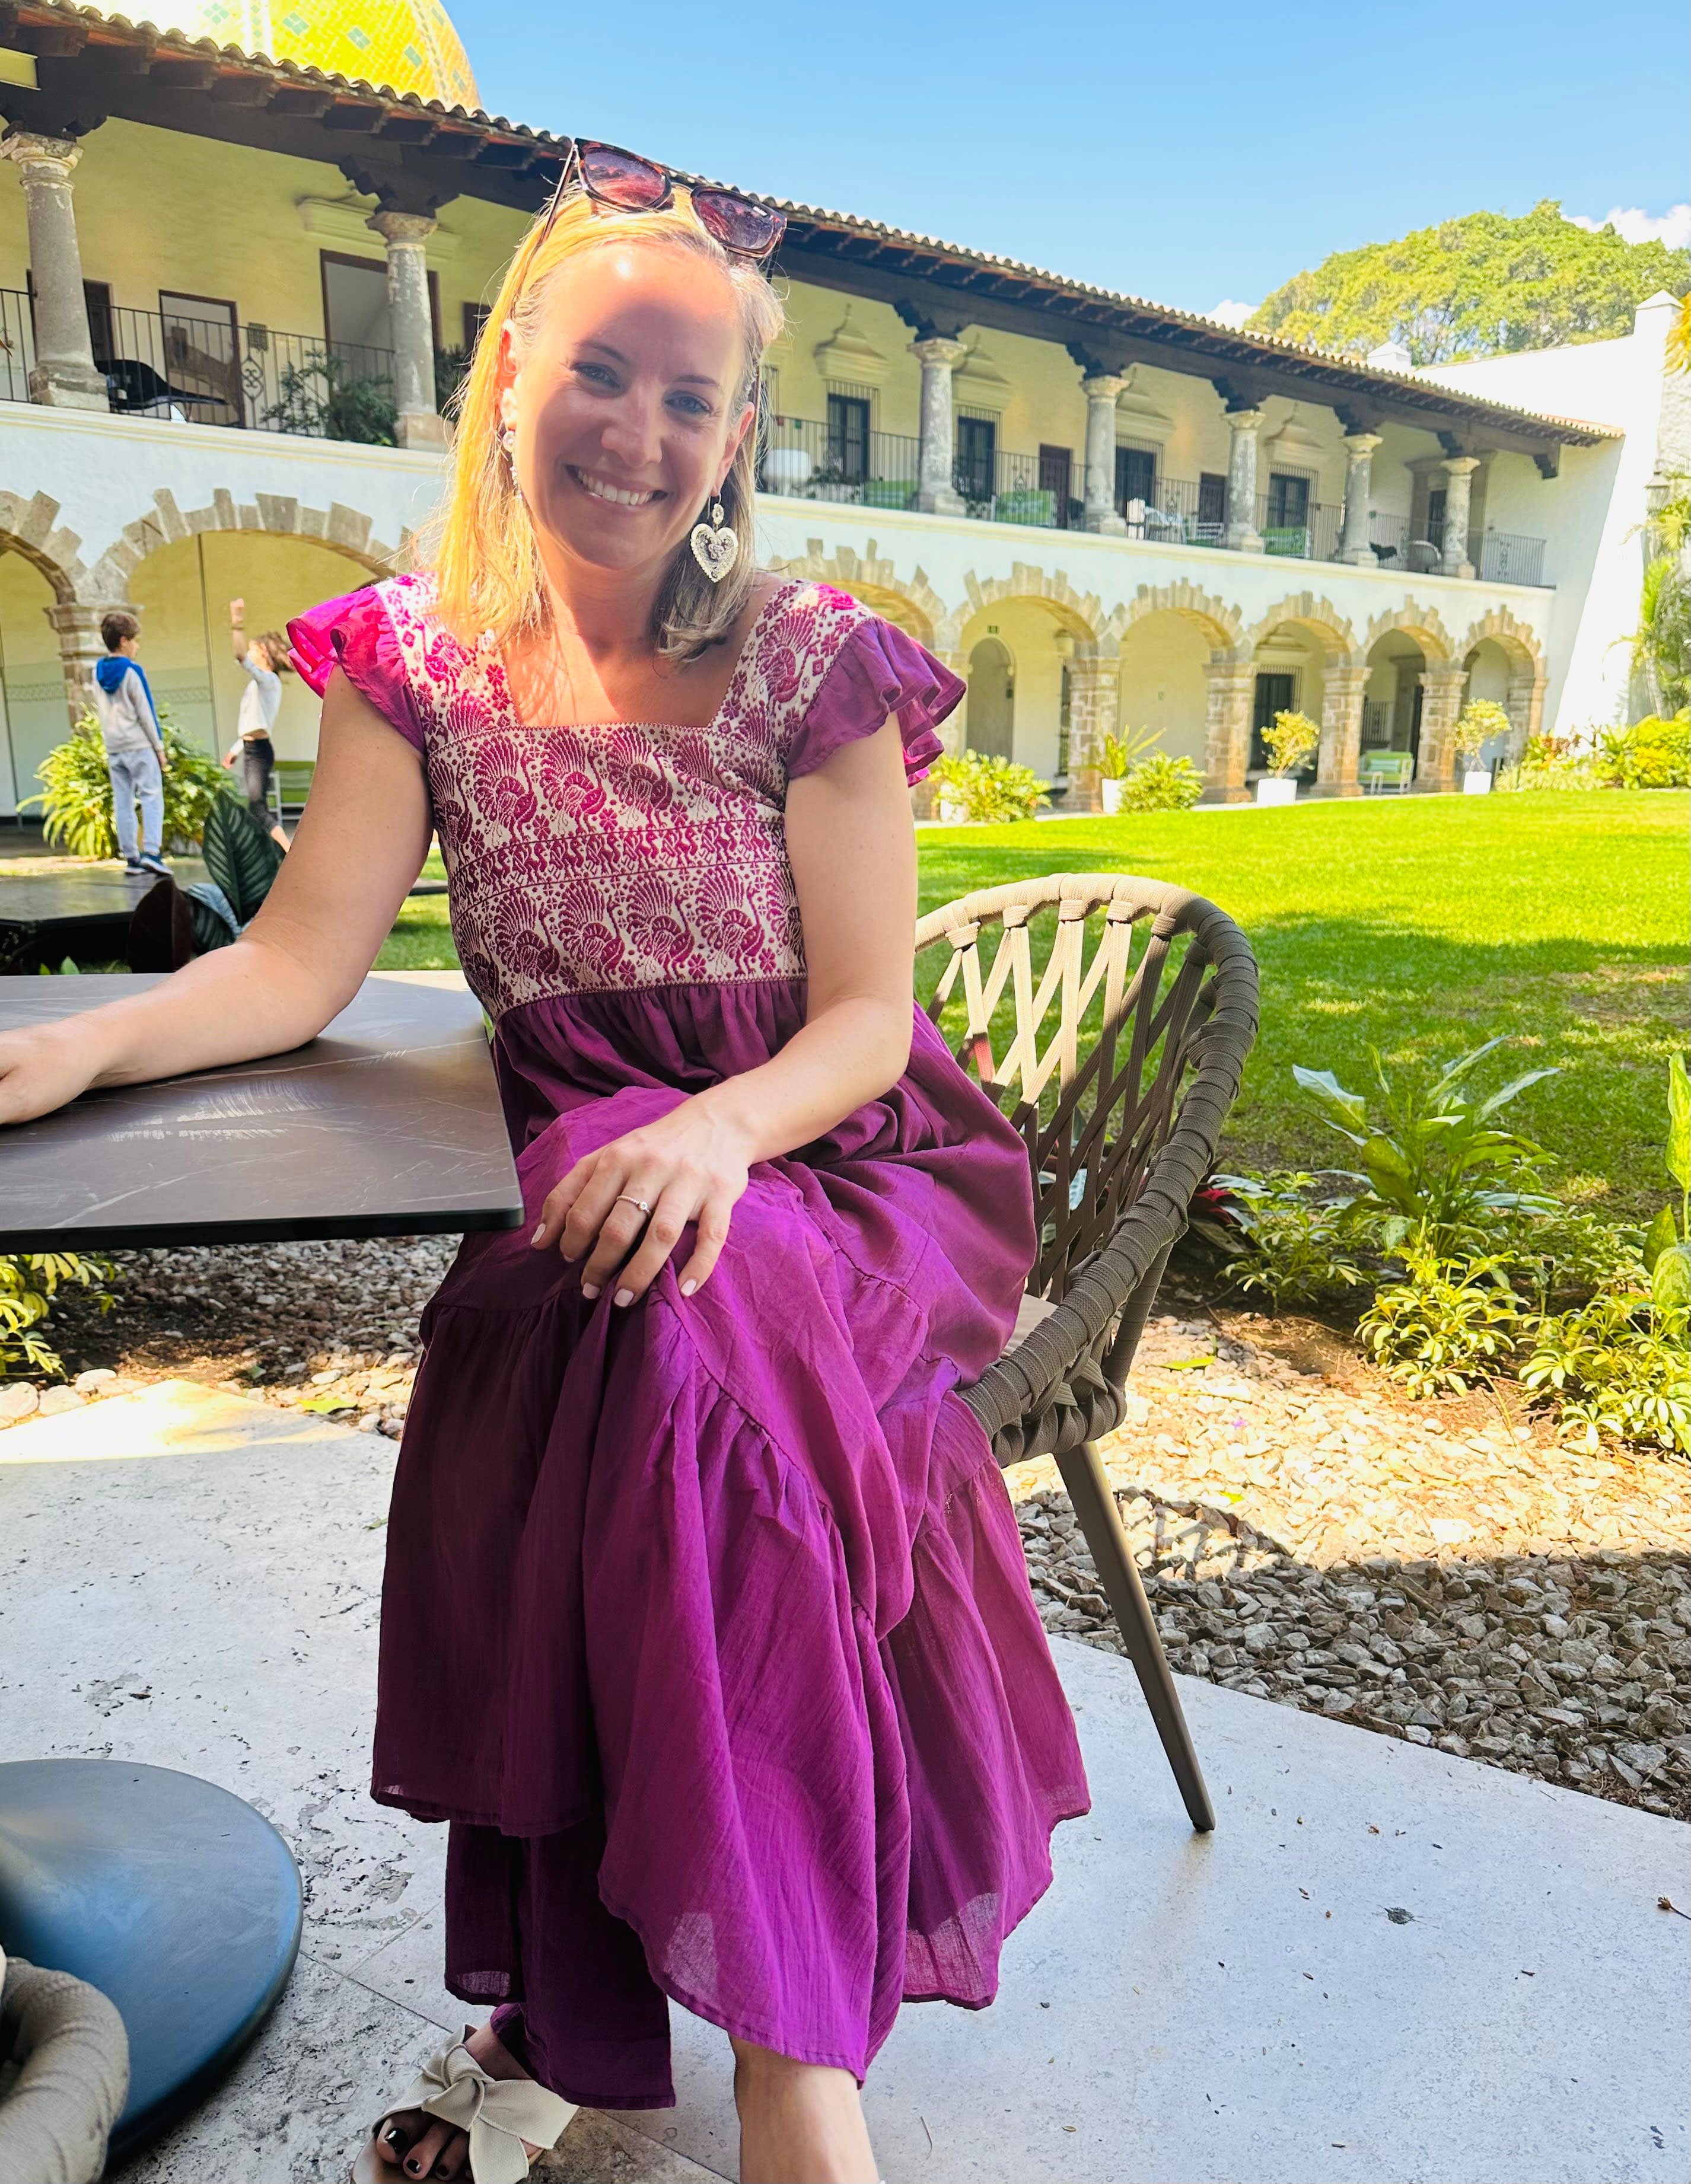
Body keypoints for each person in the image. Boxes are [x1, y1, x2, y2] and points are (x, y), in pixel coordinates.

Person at [0, 141, 1087, 2184]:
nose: (641, 431)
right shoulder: (411, 665)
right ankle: (746, 2009)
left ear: (740, 438)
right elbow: (299, 958)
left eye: (694, 400)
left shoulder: (807, 657)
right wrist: (83, 1044)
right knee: (604, 1343)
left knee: (679, 1347)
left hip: (837, 1154)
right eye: (605, 371)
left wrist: (715, 1131)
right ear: (510, 376)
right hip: (612, 1173)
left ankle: (786, 2057)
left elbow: (866, 1021)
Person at [90, 610, 170, 878]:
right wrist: (159, 748)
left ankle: (131, 858)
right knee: (151, 796)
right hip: (139, 745)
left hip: (114, 747)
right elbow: (146, 712)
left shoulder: (97, 672)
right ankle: (152, 852)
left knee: (122, 802)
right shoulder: (132, 671)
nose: (137, 646)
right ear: (124, 641)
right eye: (135, 641)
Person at [222, 598, 293, 848]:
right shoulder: (260, 684)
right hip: (252, 749)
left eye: (254, 650)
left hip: (260, 752)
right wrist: (235, 749)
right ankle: (273, 851)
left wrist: (237, 622)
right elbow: (252, 722)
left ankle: (288, 850)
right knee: (255, 806)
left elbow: (241, 657)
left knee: (257, 805)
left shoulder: (269, 681)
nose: (250, 655)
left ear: (262, 651)